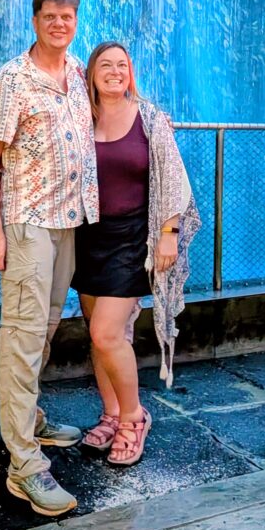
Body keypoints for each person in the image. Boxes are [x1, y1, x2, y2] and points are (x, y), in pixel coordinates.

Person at [0, 0, 99, 517]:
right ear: (35, 20)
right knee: (24, 334)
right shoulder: (9, 80)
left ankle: (29, 420)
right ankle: (23, 465)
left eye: (67, 17)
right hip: (26, 224)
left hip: (67, 223)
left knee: (45, 324)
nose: (59, 24)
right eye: (50, 16)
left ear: (75, 21)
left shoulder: (76, 74)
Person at [72, 41, 200, 466]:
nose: (114, 71)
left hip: (132, 239)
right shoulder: (80, 118)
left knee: (107, 332)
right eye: (105, 65)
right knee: (98, 332)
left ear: (131, 72)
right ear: (90, 74)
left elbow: (174, 179)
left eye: (121, 65)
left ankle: (133, 417)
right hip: (88, 236)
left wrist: (169, 232)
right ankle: (110, 413)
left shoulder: (150, 119)